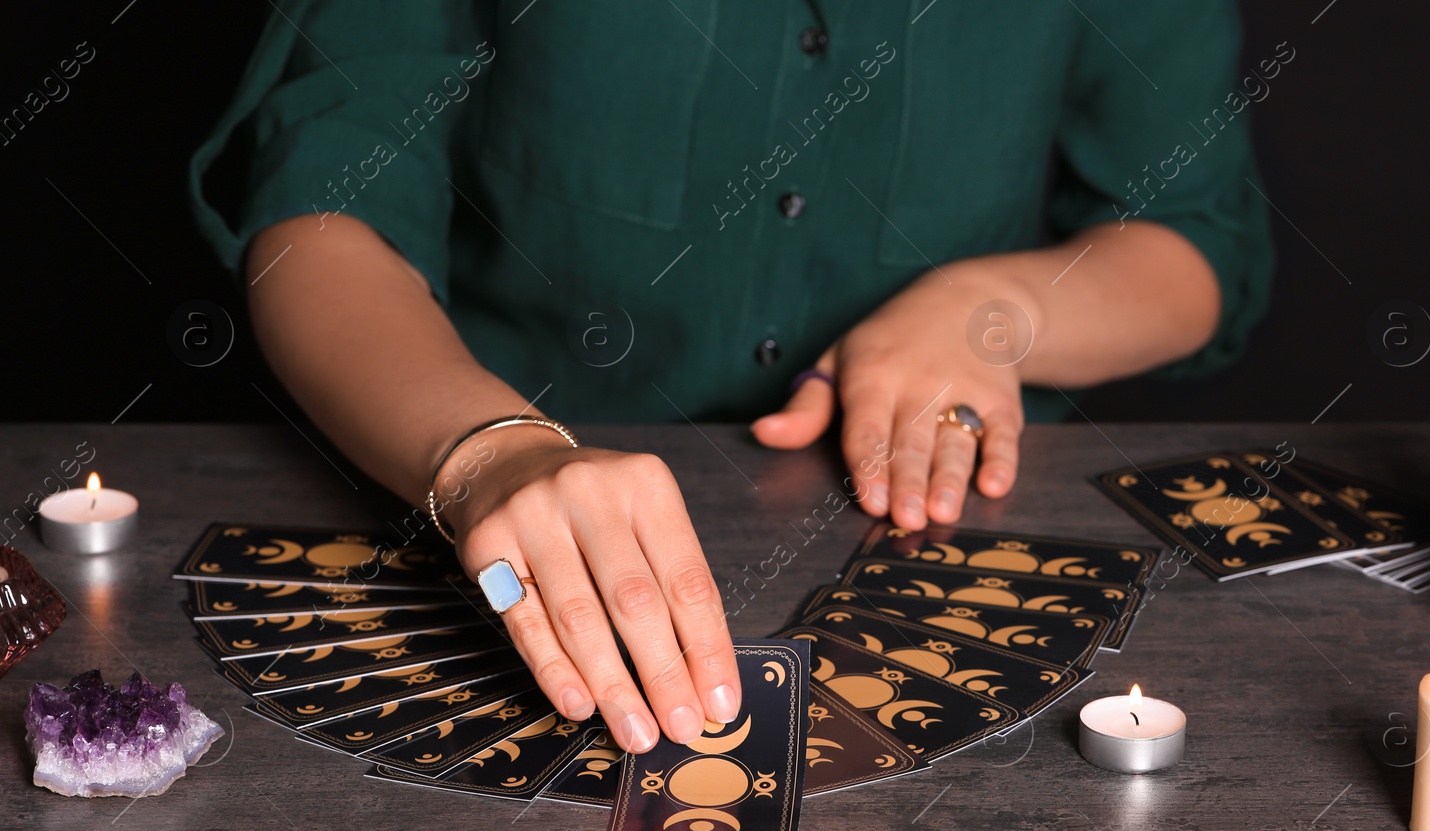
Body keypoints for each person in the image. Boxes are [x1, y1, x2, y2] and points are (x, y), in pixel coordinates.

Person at [190, 1, 1273, 754]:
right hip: (483, 521)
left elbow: (1194, 240)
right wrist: (485, 452)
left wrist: (998, 315)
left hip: (931, 551)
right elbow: (320, 205)